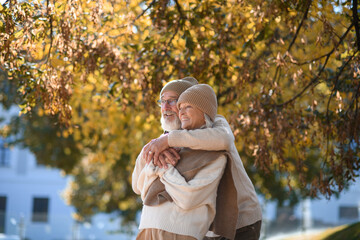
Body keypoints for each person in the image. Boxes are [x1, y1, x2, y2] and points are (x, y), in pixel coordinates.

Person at [139, 77, 262, 239]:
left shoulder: (215, 124)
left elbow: (224, 139)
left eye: (173, 101)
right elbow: (139, 184)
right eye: (162, 101)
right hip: (208, 229)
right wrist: (151, 152)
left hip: (240, 222)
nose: (165, 107)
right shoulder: (171, 137)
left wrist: (167, 141)